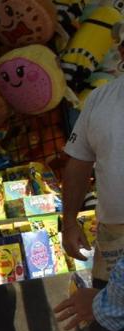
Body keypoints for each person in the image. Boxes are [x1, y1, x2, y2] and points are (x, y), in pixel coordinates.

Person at [60, 26, 124, 288]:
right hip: (113, 236)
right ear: (122, 51)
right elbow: (78, 164)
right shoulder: (100, 99)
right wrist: (70, 222)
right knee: (106, 320)